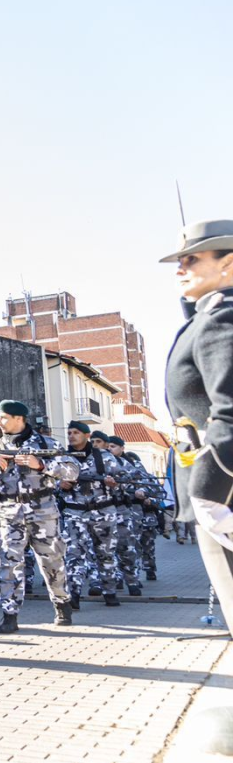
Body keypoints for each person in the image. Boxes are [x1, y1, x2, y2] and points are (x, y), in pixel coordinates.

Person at [162, 220, 233, 635]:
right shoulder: (209, 316)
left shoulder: (222, 317)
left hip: (223, 487)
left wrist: (207, 489)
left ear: (229, 263)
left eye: (192, 258)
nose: (180, 268)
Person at [0, 400, 80, 634]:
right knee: (9, 565)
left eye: (3, 417)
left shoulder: (46, 443)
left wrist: (41, 465)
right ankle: (9, 614)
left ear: (18, 418)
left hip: (43, 512)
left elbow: (73, 471)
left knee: (52, 561)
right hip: (8, 513)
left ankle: (62, 604)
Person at [57, 421, 123, 608]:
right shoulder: (62, 458)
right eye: (69, 432)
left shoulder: (104, 457)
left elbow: (125, 479)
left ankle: (109, 592)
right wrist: (59, 485)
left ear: (87, 436)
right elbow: (47, 481)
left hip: (103, 511)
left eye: (76, 432)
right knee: (74, 554)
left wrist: (114, 483)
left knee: (106, 553)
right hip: (75, 512)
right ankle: (74, 595)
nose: (71, 436)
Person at [105, 436, 148, 596]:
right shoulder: (100, 463)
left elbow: (145, 483)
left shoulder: (130, 465)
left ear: (122, 448)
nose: (110, 449)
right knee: (107, 549)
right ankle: (115, 580)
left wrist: (141, 492)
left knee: (128, 547)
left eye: (113, 446)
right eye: (107, 446)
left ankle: (132, 579)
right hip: (103, 511)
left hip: (125, 510)